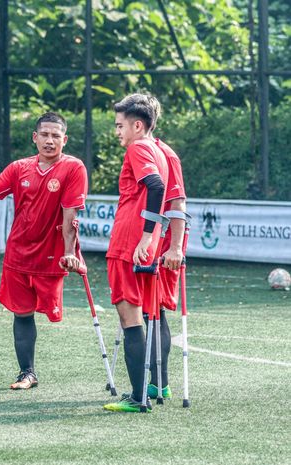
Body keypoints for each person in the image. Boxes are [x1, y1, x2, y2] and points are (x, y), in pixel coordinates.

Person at [0, 112, 88, 390]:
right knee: (22, 313)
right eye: (44, 134)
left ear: (64, 140)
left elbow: (71, 217)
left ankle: (29, 372)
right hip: (17, 255)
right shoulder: (19, 168)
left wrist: (70, 252)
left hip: (51, 257)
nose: (49, 140)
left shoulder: (73, 168)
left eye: (56, 135)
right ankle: (27, 373)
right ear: (34, 138)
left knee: (50, 313)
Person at [103, 93, 169, 413]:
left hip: (129, 244)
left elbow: (155, 187)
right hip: (141, 244)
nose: (117, 131)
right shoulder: (159, 150)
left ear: (138, 125)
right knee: (137, 319)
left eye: (120, 125)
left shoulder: (139, 147)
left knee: (130, 320)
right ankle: (142, 393)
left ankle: (138, 396)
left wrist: (144, 237)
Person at [146, 96, 187, 400]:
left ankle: (160, 382)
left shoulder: (165, 154)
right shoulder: (137, 151)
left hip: (162, 244)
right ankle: (149, 381)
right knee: (143, 313)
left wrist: (174, 247)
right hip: (142, 242)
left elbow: (177, 202)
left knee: (155, 311)